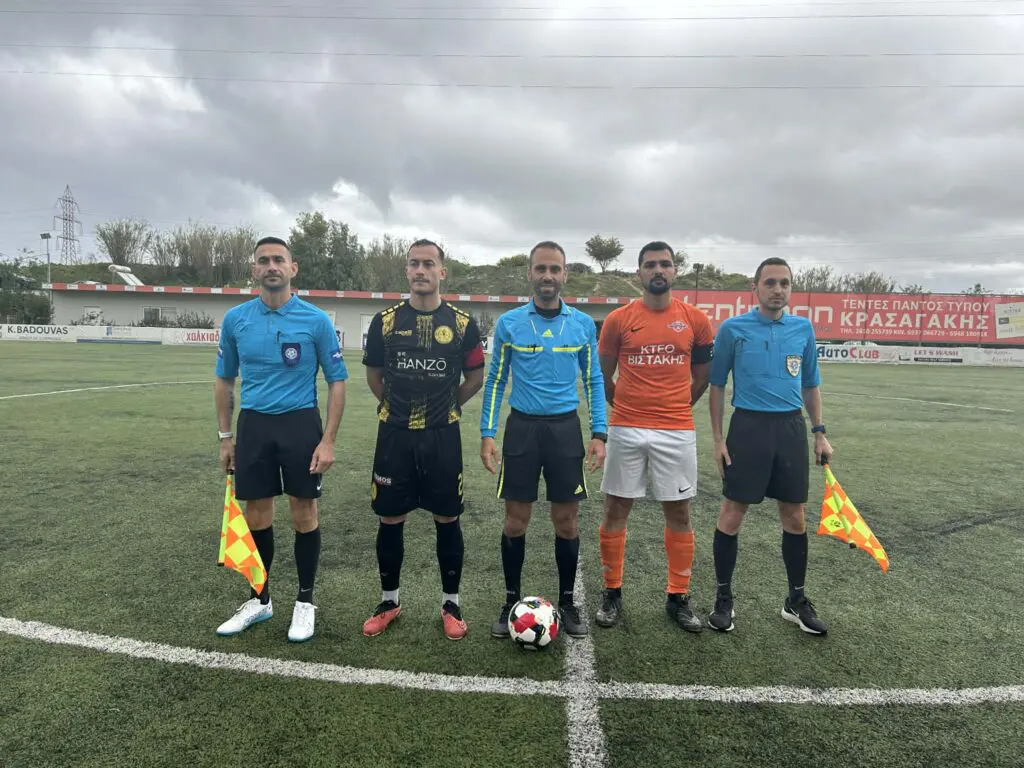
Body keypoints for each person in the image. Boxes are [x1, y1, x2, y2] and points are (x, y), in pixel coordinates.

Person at [214, 235, 348, 643]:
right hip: (255, 425)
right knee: (257, 515)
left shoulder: (316, 320)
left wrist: (328, 440)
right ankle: (260, 599)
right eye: (263, 260)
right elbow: (224, 380)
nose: (271, 266)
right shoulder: (236, 320)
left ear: (293, 268)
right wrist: (226, 437)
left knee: (303, 513)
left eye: (278, 259)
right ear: (254, 269)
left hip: (300, 424)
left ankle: (305, 602)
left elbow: (337, 381)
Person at [480, 240, 607, 639]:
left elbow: (594, 380)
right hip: (522, 431)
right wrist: (487, 433)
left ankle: (567, 601)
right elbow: (496, 380)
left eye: (555, 269)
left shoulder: (582, 324)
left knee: (566, 521)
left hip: (564, 431)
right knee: (515, 521)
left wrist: (599, 433)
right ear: (530, 273)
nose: (547, 276)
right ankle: (510, 600)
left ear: (564, 274)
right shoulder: (510, 323)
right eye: (541, 269)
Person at [360, 239, 486, 641]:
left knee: (447, 518)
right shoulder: (384, 322)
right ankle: (389, 602)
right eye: (414, 263)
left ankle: (451, 604)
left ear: (441, 272)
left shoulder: (463, 324)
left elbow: (475, 377)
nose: (420, 270)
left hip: (442, 436)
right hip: (394, 435)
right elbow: (374, 375)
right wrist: (394, 407)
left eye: (428, 264)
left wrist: (449, 405)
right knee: (390, 518)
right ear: (406, 271)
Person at [707, 256, 834, 636]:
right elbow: (717, 386)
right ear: (755, 288)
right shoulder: (733, 329)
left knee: (794, 517)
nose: (778, 290)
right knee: (732, 513)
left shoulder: (802, 329)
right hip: (748, 427)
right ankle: (723, 599)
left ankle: (795, 600)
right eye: (770, 283)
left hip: (791, 428)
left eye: (785, 283)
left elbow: (810, 384)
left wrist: (819, 432)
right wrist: (718, 440)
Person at [594, 241, 714, 632]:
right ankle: (612, 592)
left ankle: (677, 597)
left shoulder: (695, 319)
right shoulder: (618, 319)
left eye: (665, 264)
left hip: (676, 430)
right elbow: (603, 375)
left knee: (679, 513)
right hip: (626, 427)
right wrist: (624, 408)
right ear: (639, 273)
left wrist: (676, 405)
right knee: (615, 510)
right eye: (650, 265)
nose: (657, 270)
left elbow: (702, 376)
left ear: (675, 271)